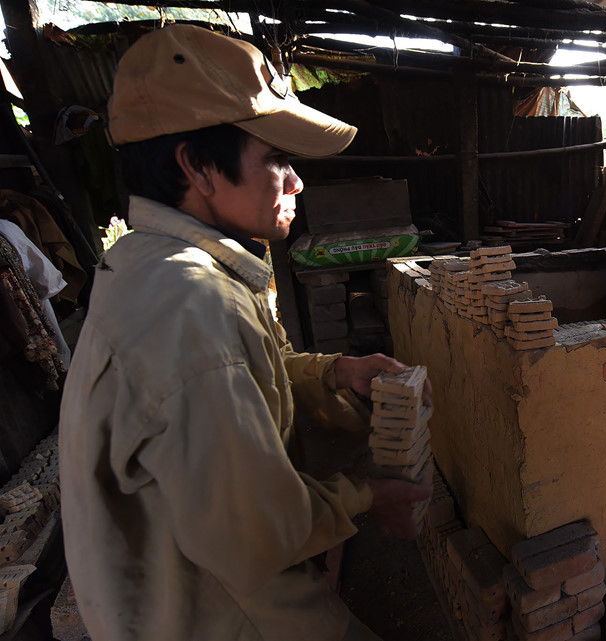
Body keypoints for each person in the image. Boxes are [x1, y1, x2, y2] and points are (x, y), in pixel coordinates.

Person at [59, 25, 431, 641]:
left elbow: (242, 375)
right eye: (277, 159)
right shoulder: (188, 302)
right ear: (197, 167)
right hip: (218, 613)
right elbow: (258, 534)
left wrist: (335, 374)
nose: (296, 182)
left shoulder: (155, 263)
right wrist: (369, 496)